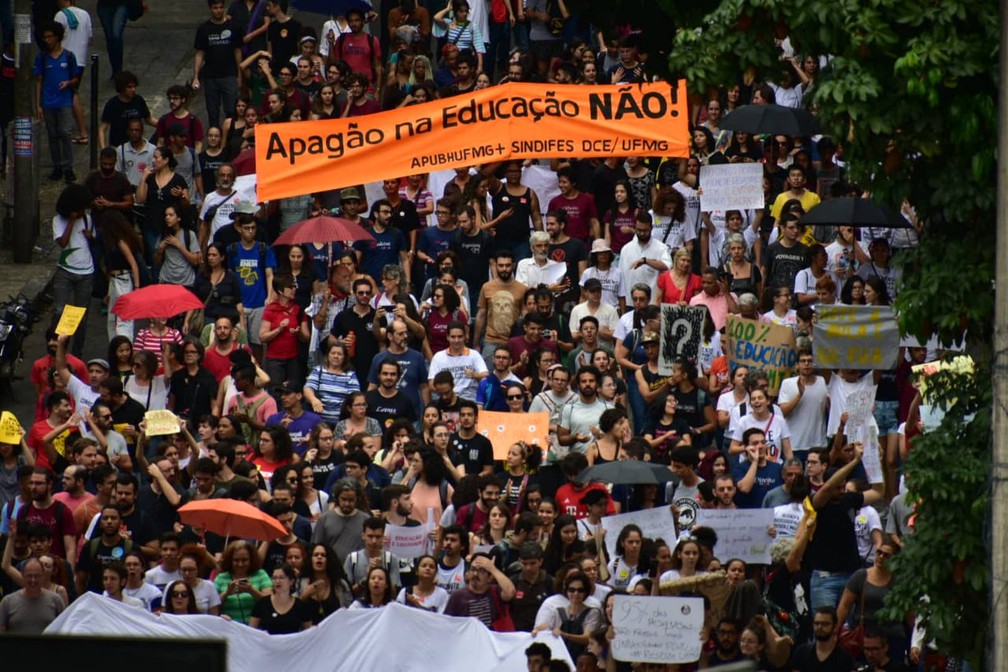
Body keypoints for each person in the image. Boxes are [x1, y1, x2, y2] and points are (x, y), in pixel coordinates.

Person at [35, 22, 79, 184]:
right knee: (52, 135)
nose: (47, 40)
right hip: (48, 102)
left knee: (65, 133)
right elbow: (38, 81)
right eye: (44, 37)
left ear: (57, 37)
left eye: (49, 36)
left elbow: (75, 78)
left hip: (64, 101)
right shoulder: (42, 57)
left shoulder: (68, 56)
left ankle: (68, 167)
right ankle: (57, 166)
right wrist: (38, 104)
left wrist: (67, 83)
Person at [0, 558, 65, 633]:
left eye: (37, 576)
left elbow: (64, 628)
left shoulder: (56, 600)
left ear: (43, 576)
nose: (33, 580)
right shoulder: (8, 602)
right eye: (29, 576)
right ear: (23, 575)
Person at [789, 606, 855, 671]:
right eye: (816, 623)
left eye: (825, 624)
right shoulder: (802, 653)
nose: (819, 627)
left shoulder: (845, 658)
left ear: (835, 627)